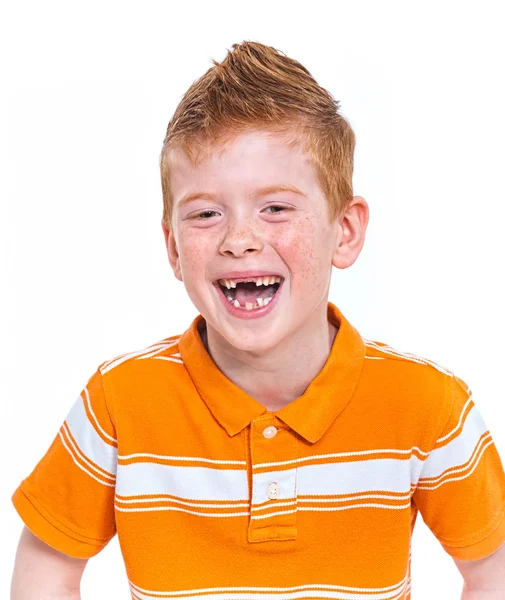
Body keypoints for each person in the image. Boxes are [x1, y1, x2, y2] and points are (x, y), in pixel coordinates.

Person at [10, 41, 505, 600]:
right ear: (173, 248)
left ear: (345, 230)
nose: (239, 240)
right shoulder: (118, 402)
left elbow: (493, 569)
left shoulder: (427, 403)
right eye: (205, 213)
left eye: (275, 207)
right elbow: (47, 560)